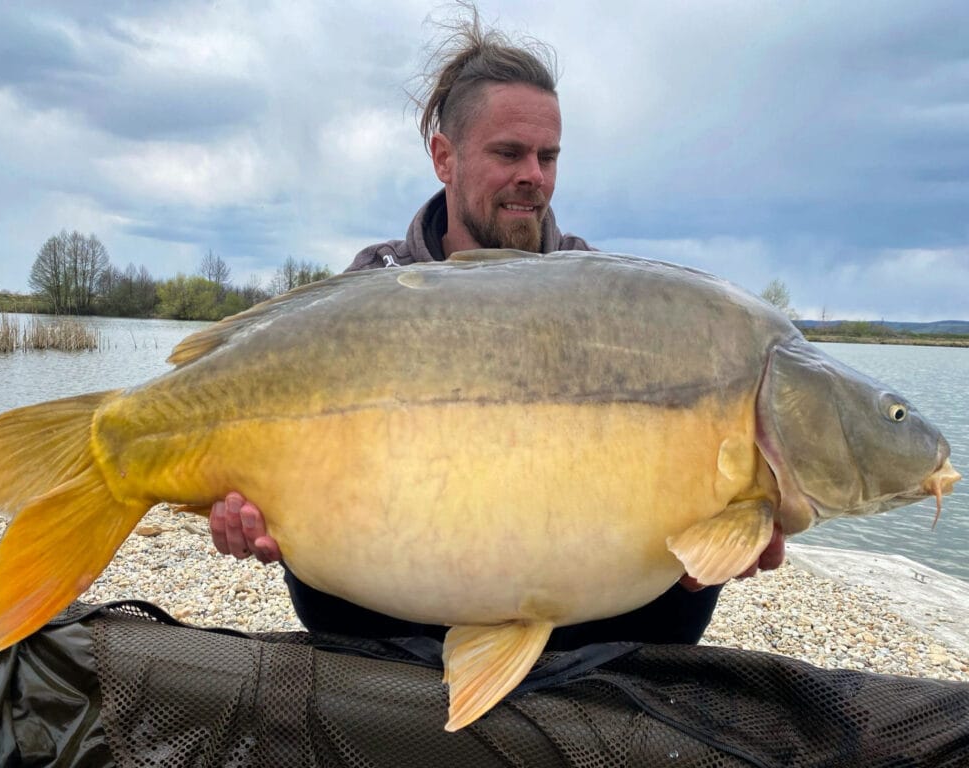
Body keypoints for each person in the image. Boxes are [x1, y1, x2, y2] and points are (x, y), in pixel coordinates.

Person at [209, 6, 785, 651]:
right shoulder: (375, 284)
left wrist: (706, 554)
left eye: (548, 156)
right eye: (508, 153)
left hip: (579, 613)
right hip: (389, 605)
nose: (533, 177)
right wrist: (249, 517)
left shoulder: (603, 295)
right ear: (443, 156)